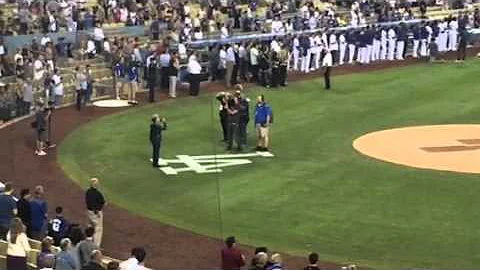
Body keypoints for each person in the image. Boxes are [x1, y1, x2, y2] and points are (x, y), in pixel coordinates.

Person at [85, 178, 105, 247]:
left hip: (89, 212)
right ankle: (96, 246)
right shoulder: (97, 193)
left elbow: (88, 202)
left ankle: (88, 241)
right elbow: (102, 202)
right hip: (96, 213)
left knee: (90, 227)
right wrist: (97, 210)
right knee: (98, 229)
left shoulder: (87, 192)